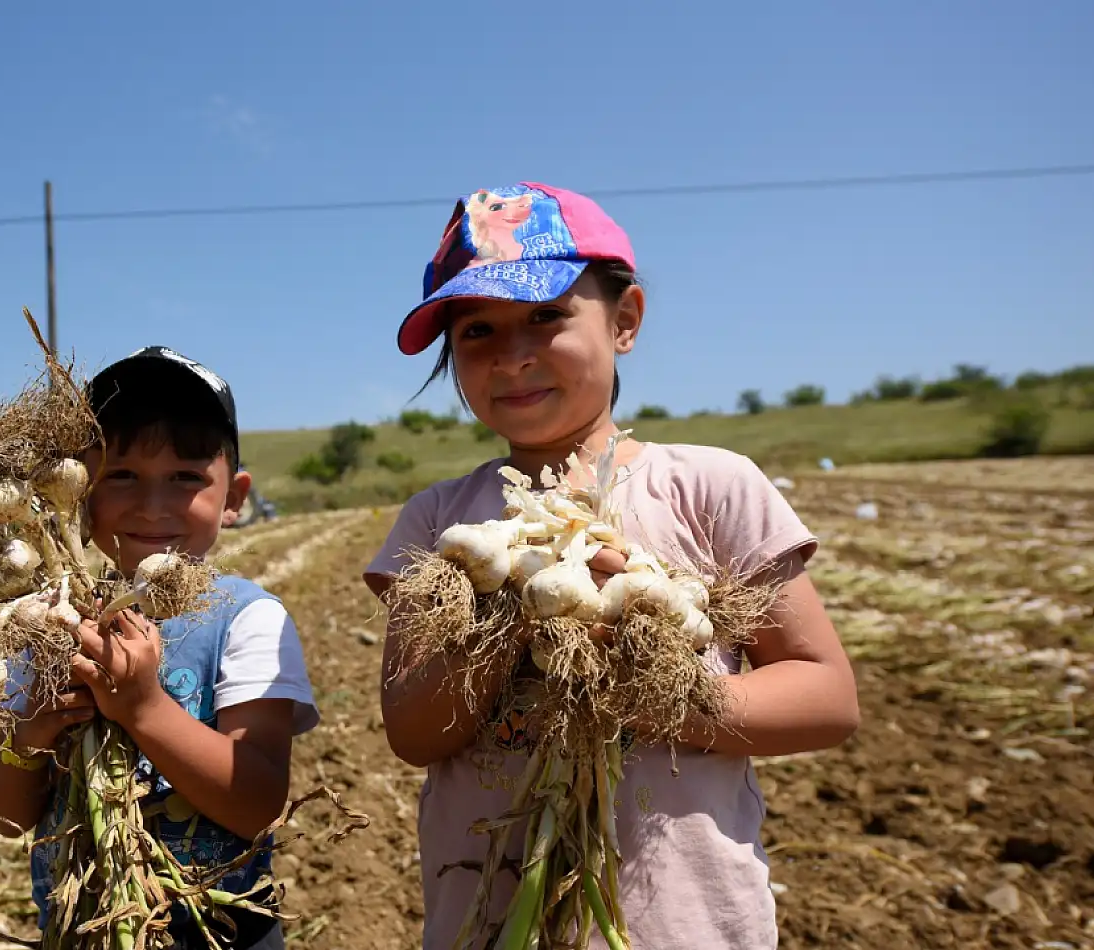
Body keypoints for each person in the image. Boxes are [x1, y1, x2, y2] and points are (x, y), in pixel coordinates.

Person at [362, 182, 860, 948]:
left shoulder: (710, 486)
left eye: (545, 317)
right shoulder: (438, 523)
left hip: (682, 926)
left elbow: (827, 696)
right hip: (487, 924)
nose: (513, 356)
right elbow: (413, 730)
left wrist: (652, 689)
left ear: (624, 320)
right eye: (477, 333)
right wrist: (510, 616)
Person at [0, 346, 320, 950]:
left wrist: (143, 709)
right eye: (121, 476)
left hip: (224, 938)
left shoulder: (248, 619)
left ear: (235, 497)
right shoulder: (50, 624)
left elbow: (259, 803)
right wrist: (28, 736)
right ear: (79, 493)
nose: (152, 505)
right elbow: (5, 818)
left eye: (186, 477)